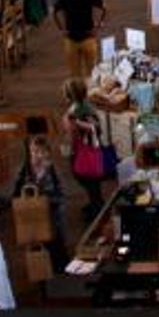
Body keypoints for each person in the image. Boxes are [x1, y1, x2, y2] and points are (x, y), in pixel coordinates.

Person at [14, 136, 68, 273]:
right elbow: (16, 192)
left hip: (53, 214)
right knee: (39, 244)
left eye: (41, 152)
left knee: (56, 244)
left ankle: (60, 270)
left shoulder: (53, 169)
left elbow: (62, 194)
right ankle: (42, 271)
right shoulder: (25, 170)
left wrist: (47, 201)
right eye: (34, 151)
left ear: (47, 152)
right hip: (34, 215)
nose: (37, 156)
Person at [62, 79, 106, 220]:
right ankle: (95, 202)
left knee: (86, 177)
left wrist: (76, 127)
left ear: (69, 96)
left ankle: (97, 208)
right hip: (89, 148)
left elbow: (81, 130)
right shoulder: (84, 106)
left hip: (84, 149)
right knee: (90, 179)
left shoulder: (78, 111)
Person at [53, 0, 106, 79]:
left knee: (92, 71)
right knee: (74, 72)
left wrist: (98, 25)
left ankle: (91, 92)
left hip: (88, 37)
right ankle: (77, 92)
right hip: (71, 39)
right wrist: (61, 29)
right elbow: (54, 12)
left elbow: (104, 8)